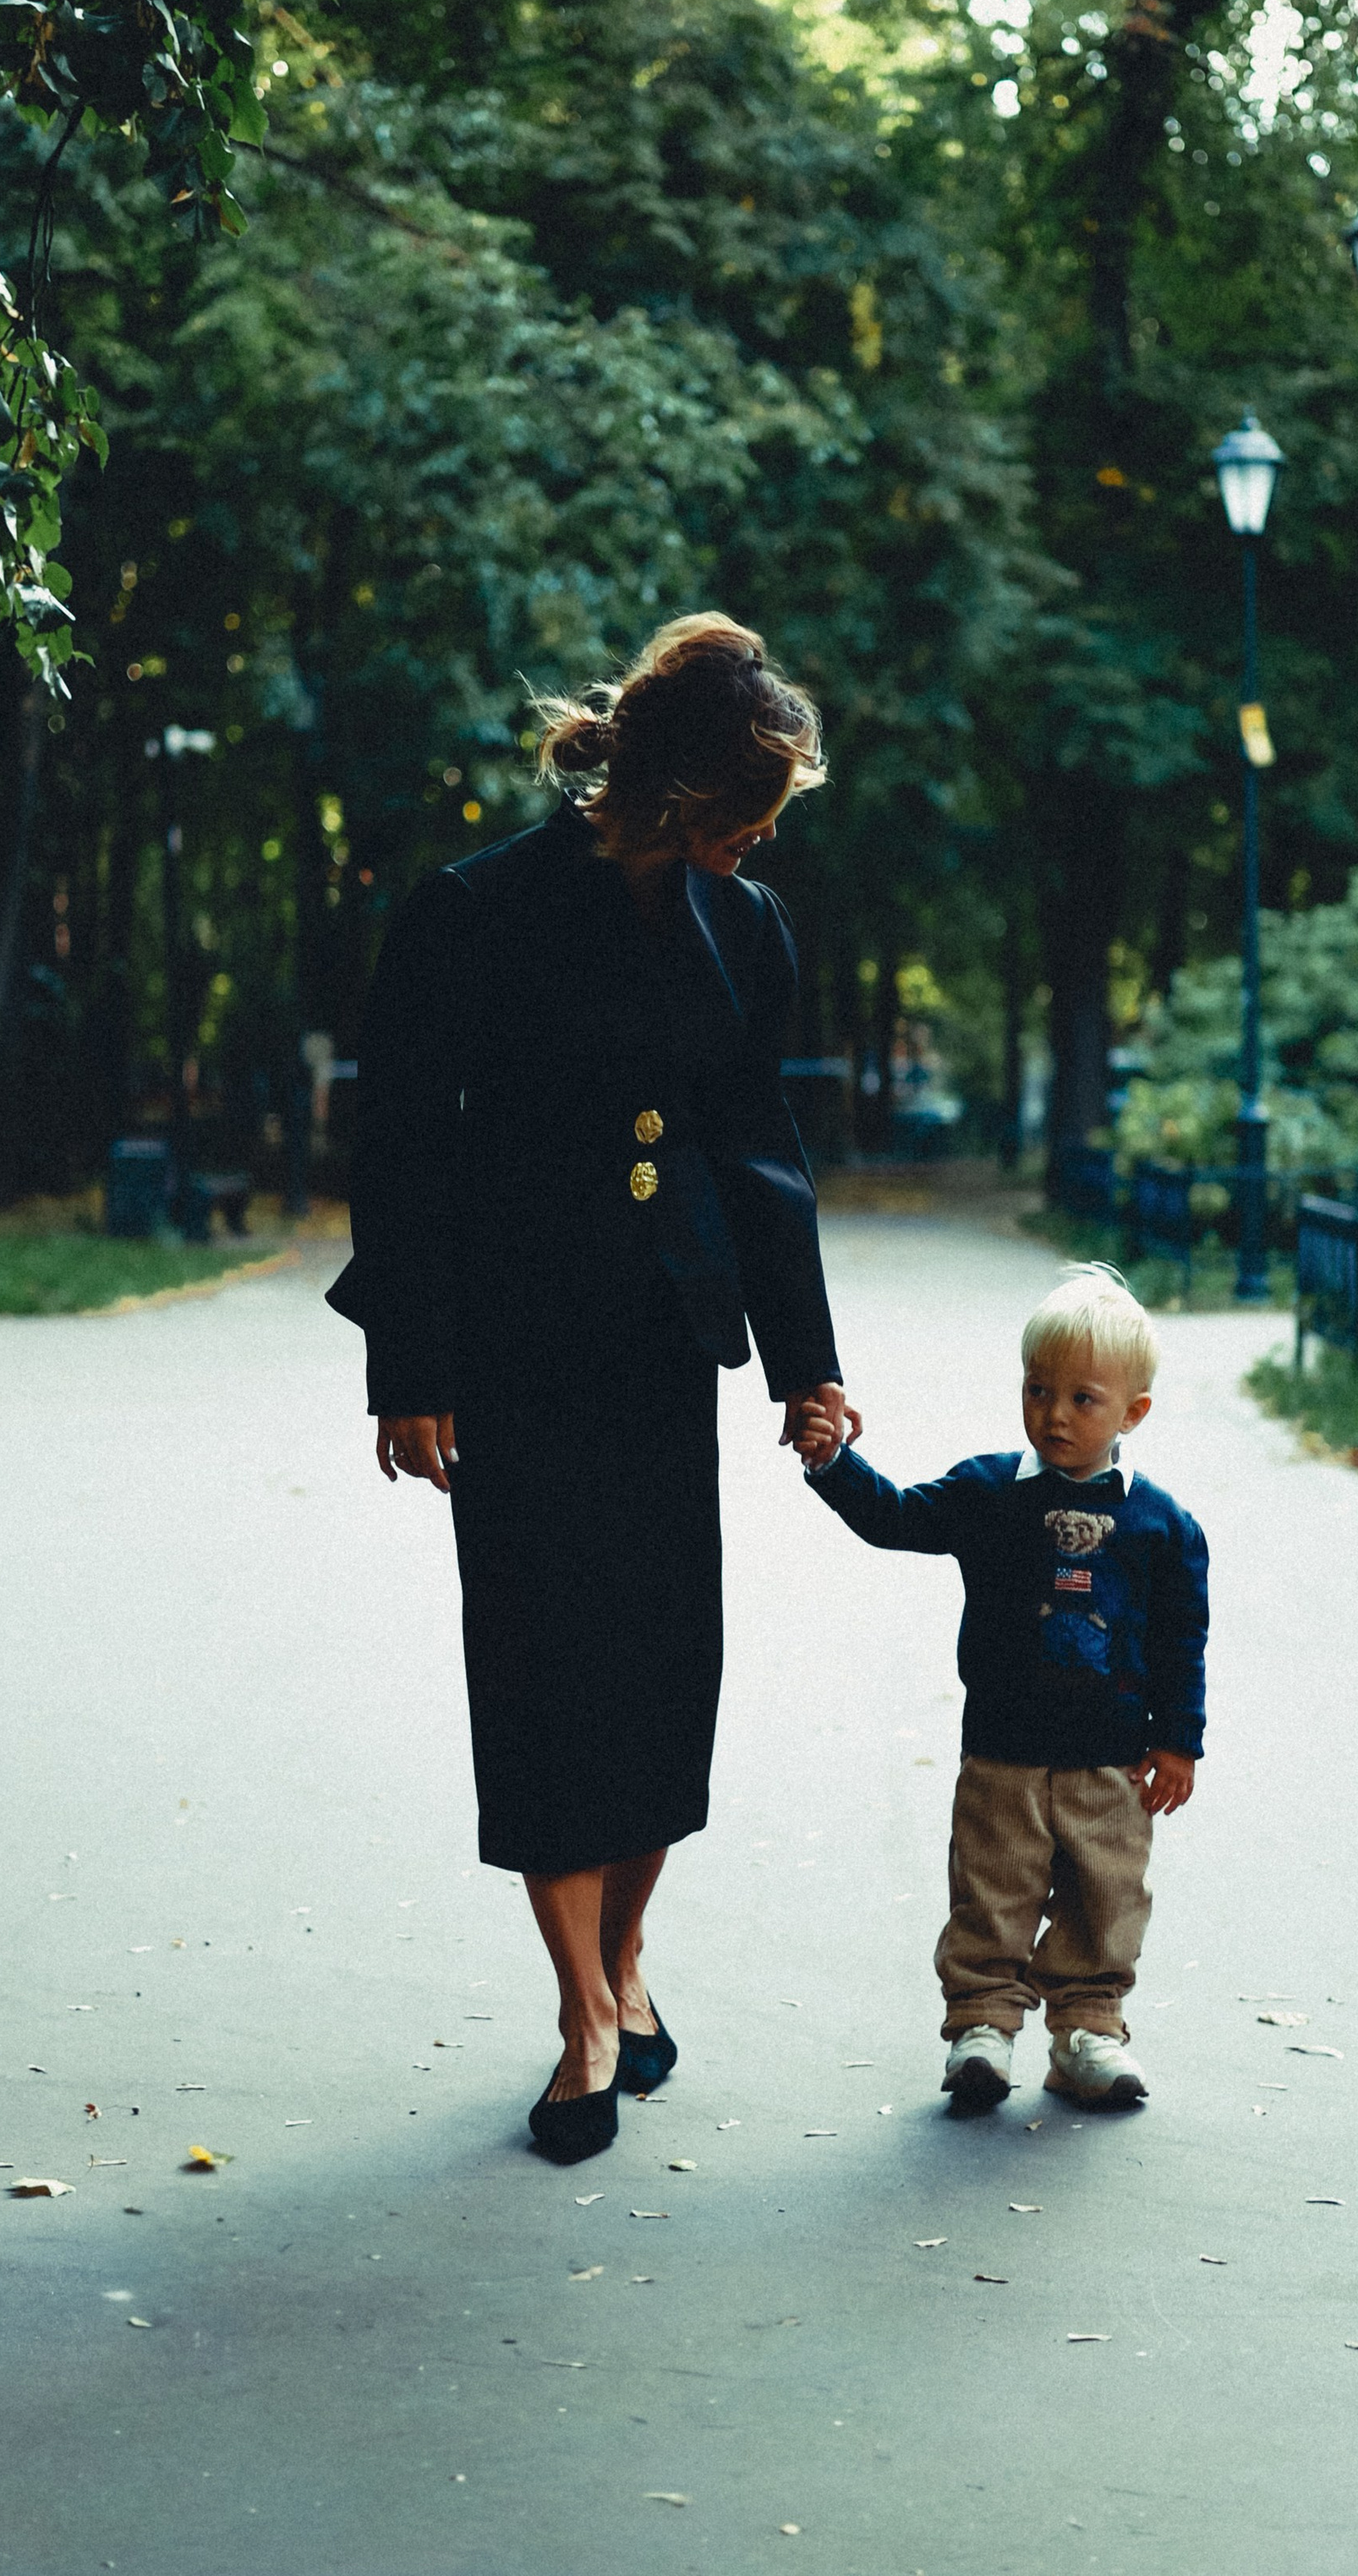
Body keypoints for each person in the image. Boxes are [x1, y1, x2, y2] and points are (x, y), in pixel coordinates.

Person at [328, 615, 857, 2166]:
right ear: (684, 789)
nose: (767, 838)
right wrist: (408, 1364)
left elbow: (761, 1153)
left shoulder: (747, 929)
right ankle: (578, 2013)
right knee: (545, 1672)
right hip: (509, 1345)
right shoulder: (474, 912)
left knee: (657, 1668)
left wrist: (809, 1362)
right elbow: (404, 1146)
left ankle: (630, 1959)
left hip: (658, 1338)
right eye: (753, 807)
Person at [786, 1262, 1205, 2113]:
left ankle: (1087, 2033)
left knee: (1104, 1899)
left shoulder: (1163, 1528)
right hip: (1002, 1755)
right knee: (991, 1892)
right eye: (1037, 1389)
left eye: (1082, 1398)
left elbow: (1178, 1640)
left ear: (1134, 1413)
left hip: (1112, 1766)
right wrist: (835, 1464)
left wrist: (1178, 1741)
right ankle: (981, 2024)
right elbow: (897, 1516)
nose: (1053, 1413)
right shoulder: (987, 1494)